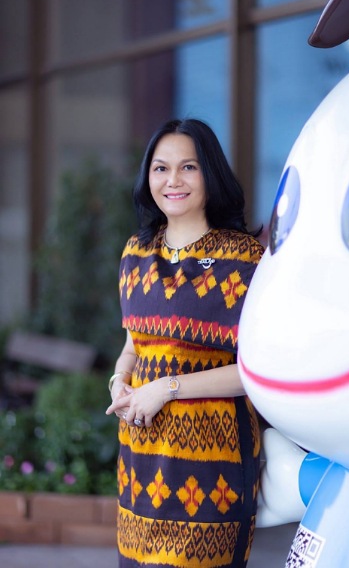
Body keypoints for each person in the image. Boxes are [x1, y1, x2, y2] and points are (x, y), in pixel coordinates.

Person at [106, 118, 265, 567]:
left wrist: (167, 388)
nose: (173, 180)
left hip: (213, 464)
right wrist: (119, 381)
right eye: (161, 168)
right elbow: (135, 345)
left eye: (188, 167)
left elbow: (256, 371)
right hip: (141, 462)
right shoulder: (135, 253)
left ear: (210, 174)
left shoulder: (246, 259)